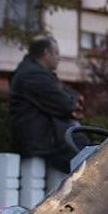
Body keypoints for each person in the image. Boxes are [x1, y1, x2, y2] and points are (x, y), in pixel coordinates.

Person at [9, 36, 83, 172]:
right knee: (93, 162)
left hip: (52, 142)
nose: (58, 57)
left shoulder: (40, 74)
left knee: (93, 152)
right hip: (46, 145)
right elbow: (65, 104)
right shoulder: (32, 75)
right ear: (45, 53)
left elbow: (73, 97)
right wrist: (70, 102)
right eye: (56, 53)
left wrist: (69, 99)